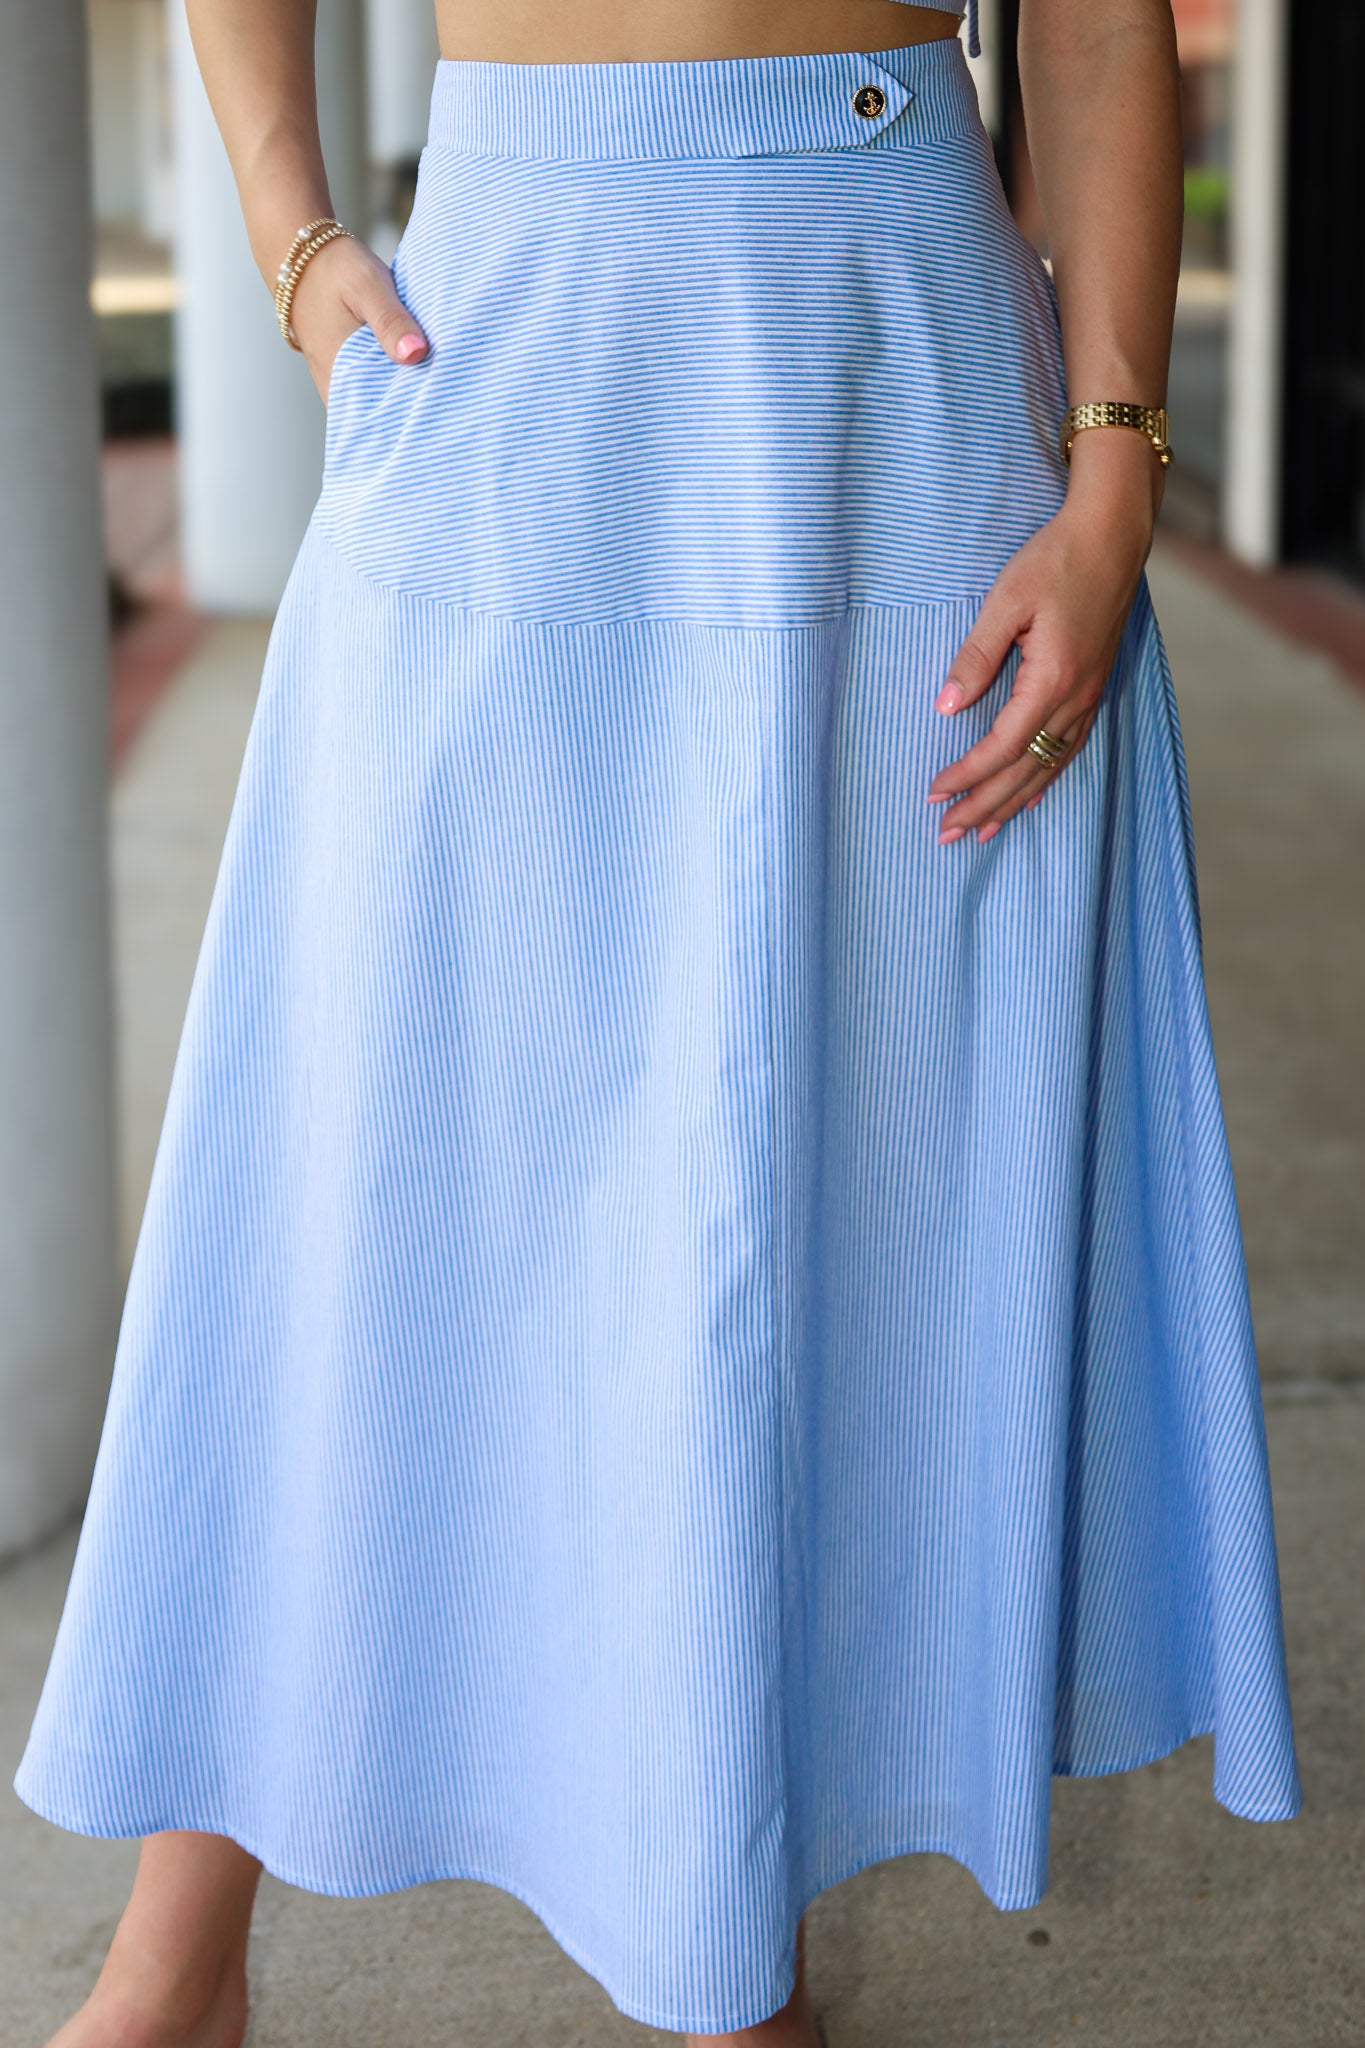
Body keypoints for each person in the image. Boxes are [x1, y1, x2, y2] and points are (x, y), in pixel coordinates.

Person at [19, 1, 1301, 2044]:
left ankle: (726, 1947)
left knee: (799, 1183)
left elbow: (1085, 21)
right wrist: (290, 234)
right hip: (504, 330)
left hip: (890, 359)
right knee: (351, 1131)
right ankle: (182, 1950)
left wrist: (1110, 475)